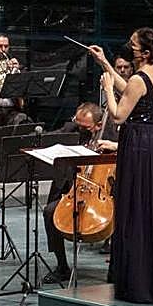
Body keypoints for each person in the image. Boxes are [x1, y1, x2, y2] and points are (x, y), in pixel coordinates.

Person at [94, 27, 153, 304]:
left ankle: (140, 282)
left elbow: (119, 115)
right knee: (152, 209)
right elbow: (132, 92)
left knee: (138, 209)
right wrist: (105, 63)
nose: (128, 47)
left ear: (145, 52)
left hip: (139, 146)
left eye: (133, 45)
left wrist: (107, 88)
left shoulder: (138, 78)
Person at [41, 102, 117, 284]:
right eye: (78, 123)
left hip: (104, 190)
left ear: (98, 125)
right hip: (76, 188)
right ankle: (62, 267)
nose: (80, 129)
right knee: (49, 211)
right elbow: (53, 137)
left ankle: (116, 267)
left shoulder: (111, 136)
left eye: (85, 127)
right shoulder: (73, 128)